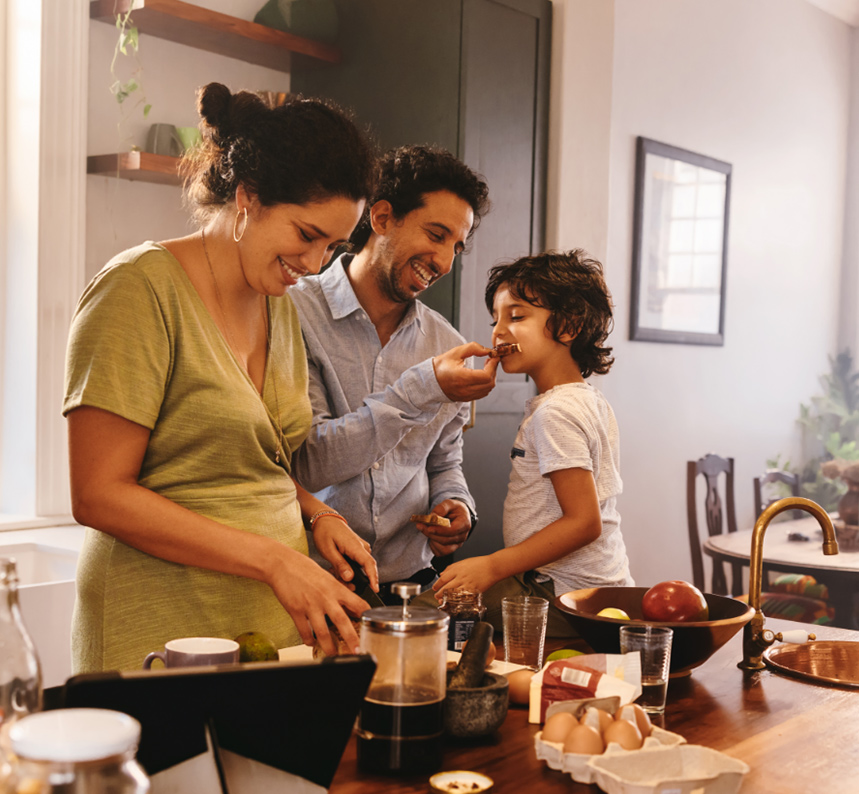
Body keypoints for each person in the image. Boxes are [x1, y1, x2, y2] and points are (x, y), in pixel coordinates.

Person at [63, 83, 379, 673]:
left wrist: (315, 513)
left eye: (334, 246)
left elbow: (242, 462)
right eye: (307, 235)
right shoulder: (137, 289)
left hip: (266, 636)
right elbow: (97, 494)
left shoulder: (279, 304)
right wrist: (275, 561)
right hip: (157, 633)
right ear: (247, 196)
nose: (315, 265)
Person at [290, 145, 495, 602]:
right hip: (313, 585)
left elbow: (444, 462)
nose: (444, 261)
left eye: (456, 247)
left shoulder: (445, 344)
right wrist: (422, 388)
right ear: (381, 218)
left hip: (410, 586)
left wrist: (458, 507)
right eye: (436, 234)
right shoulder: (292, 313)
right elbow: (310, 462)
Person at [429, 250, 633, 637]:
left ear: (569, 326)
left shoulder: (554, 413)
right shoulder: (586, 398)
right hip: (586, 589)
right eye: (496, 319)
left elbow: (584, 522)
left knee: (424, 617)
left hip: (557, 592)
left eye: (517, 316)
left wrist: (491, 566)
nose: (498, 332)